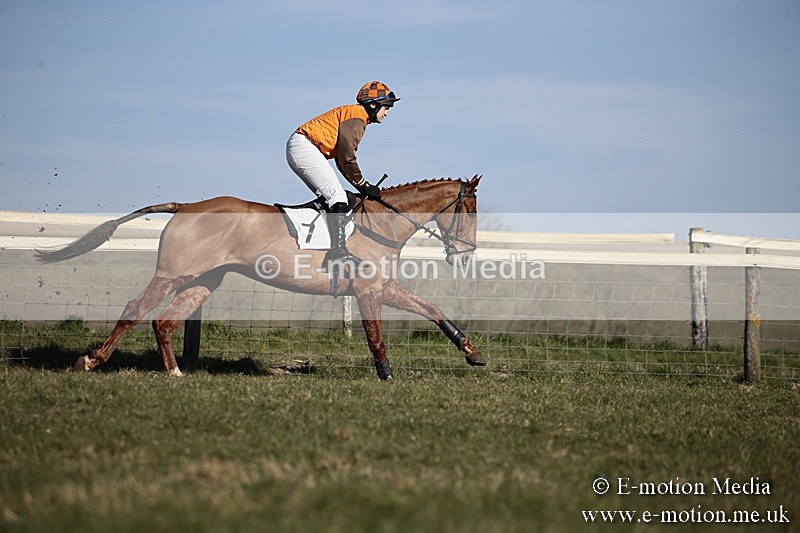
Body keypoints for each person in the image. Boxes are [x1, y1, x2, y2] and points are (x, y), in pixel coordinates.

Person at [286, 81, 399, 266]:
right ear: (373, 105)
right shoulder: (357, 117)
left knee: (332, 197)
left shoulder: (358, 116)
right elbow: (347, 158)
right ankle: (338, 252)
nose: (387, 113)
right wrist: (364, 185)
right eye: (386, 107)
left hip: (302, 147)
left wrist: (361, 185)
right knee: (338, 197)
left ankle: (320, 242)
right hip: (304, 147)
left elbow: (341, 160)